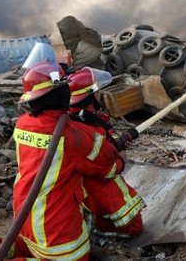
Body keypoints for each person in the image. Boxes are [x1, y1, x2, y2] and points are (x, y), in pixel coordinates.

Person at [11, 61, 121, 260]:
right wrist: (120, 157)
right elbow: (108, 167)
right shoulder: (74, 136)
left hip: (24, 218)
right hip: (57, 233)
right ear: (61, 93)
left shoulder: (23, 123)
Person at [68, 67, 145, 238]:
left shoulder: (83, 119)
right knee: (135, 226)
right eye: (97, 92)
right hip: (97, 184)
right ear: (89, 97)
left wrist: (119, 142)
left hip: (88, 186)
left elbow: (102, 147)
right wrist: (121, 161)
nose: (100, 94)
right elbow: (103, 166)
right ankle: (106, 229)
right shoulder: (86, 129)